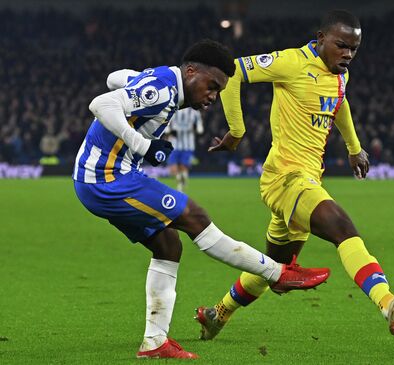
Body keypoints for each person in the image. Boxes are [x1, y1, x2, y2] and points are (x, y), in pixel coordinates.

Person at [72, 39, 330, 359]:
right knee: (194, 216)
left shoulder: (163, 81)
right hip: (107, 179)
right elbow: (101, 103)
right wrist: (143, 145)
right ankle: (278, 274)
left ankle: (155, 342)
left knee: (168, 245)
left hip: (102, 178)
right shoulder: (164, 90)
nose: (213, 97)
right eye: (212, 86)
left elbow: (114, 78)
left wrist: (139, 83)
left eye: (219, 91)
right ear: (191, 71)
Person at [195, 10, 394, 339]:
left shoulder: (339, 74)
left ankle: (217, 314)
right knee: (343, 229)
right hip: (285, 179)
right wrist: (236, 131)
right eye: (341, 45)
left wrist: (354, 148)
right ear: (320, 39)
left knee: (275, 270)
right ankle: (388, 303)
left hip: (307, 181)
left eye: (354, 49)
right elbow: (231, 72)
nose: (347, 54)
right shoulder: (290, 62)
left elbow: (340, 101)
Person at [166, 108, 203, 192]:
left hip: (188, 145)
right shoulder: (174, 110)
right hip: (174, 144)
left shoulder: (194, 112)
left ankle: (180, 185)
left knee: (183, 167)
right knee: (173, 168)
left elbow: (200, 129)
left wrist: (195, 128)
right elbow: (166, 125)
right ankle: (181, 181)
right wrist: (170, 131)